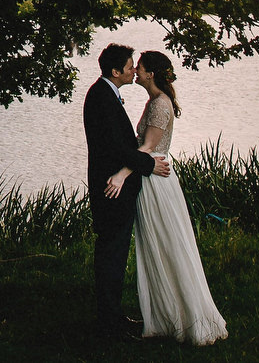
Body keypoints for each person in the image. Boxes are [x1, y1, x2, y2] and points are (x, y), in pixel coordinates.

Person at [120, 50, 228, 345]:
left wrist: (121, 174)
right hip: (152, 176)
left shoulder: (159, 105)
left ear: (151, 74)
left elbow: (147, 149)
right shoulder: (155, 101)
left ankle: (183, 316)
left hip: (155, 179)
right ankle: (166, 314)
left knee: (166, 243)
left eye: (139, 68)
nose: (136, 72)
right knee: (159, 244)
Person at [84, 43, 169, 338]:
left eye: (136, 66)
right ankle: (109, 322)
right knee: (112, 253)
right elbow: (115, 147)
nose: (135, 71)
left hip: (114, 186)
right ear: (115, 71)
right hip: (110, 189)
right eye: (131, 67)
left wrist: (142, 161)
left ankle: (113, 317)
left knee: (115, 253)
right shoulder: (101, 97)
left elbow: (121, 145)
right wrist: (147, 163)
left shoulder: (106, 94)